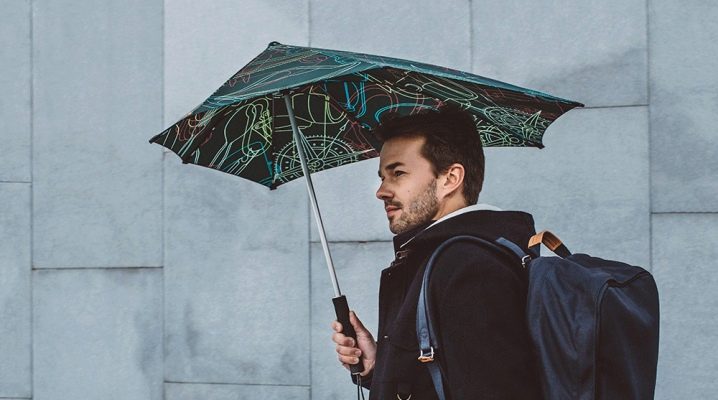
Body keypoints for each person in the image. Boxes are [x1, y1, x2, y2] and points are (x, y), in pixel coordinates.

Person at [331, 106, 542, 399]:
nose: (381, 191)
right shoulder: (439, 257)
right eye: (383, 177)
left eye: (398, 173)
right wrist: (380, 367)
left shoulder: (470, 266)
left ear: (449, 179)